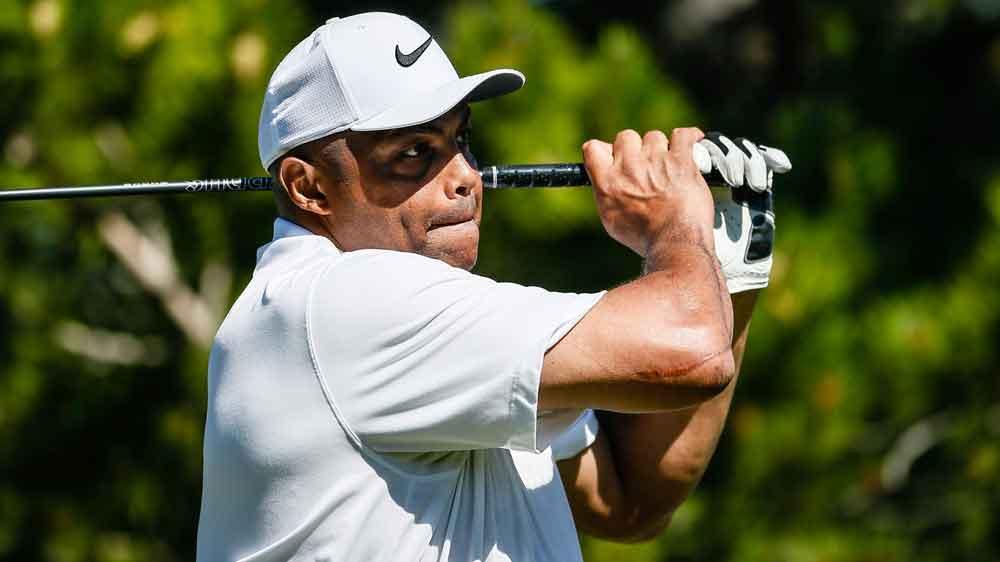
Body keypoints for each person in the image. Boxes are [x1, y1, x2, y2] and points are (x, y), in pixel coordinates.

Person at [196, 11, 790, 562]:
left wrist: (726, 268)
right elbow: (694, 351)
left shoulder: (430, 327)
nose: (465, 176)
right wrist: (674, 224)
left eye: (461, 140)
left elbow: (626, 502)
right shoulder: (339, 300)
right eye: (414, 153)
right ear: (309, 188)